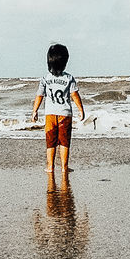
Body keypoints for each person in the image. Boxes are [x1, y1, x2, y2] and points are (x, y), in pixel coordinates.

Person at [31, 42, 85, 175]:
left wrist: (35, 111)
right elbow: (74, 95)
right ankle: (64, 167)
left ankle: (50, 167)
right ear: (65, 62)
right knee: (64, 142)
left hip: (50, 115)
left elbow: (39, 95)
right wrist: (81, 110)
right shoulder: (69, 78)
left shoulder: (45, 78)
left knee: (51, 142)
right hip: (65, 114)